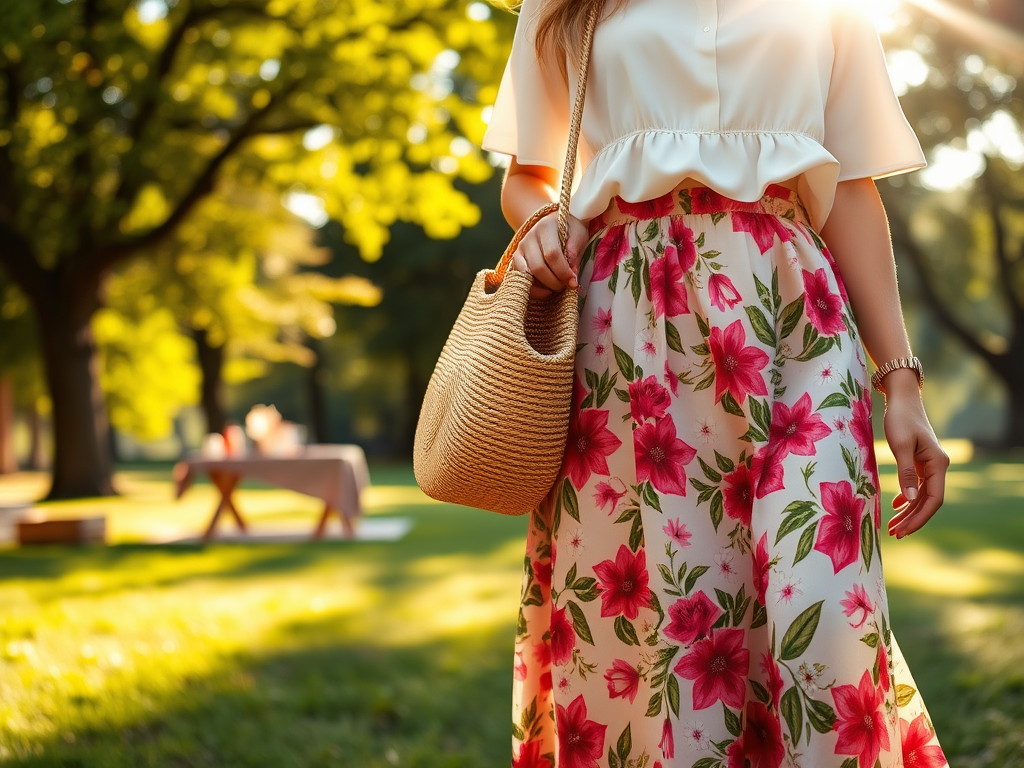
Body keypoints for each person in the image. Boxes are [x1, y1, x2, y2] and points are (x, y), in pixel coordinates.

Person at [479, 0, 951, 766]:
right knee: (665, 647)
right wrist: (545, 223)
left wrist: (900, 383)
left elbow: (854, 189)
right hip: (627, 338)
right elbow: (527, 178)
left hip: (794, 320)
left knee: (825, 620)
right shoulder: (567, 6)